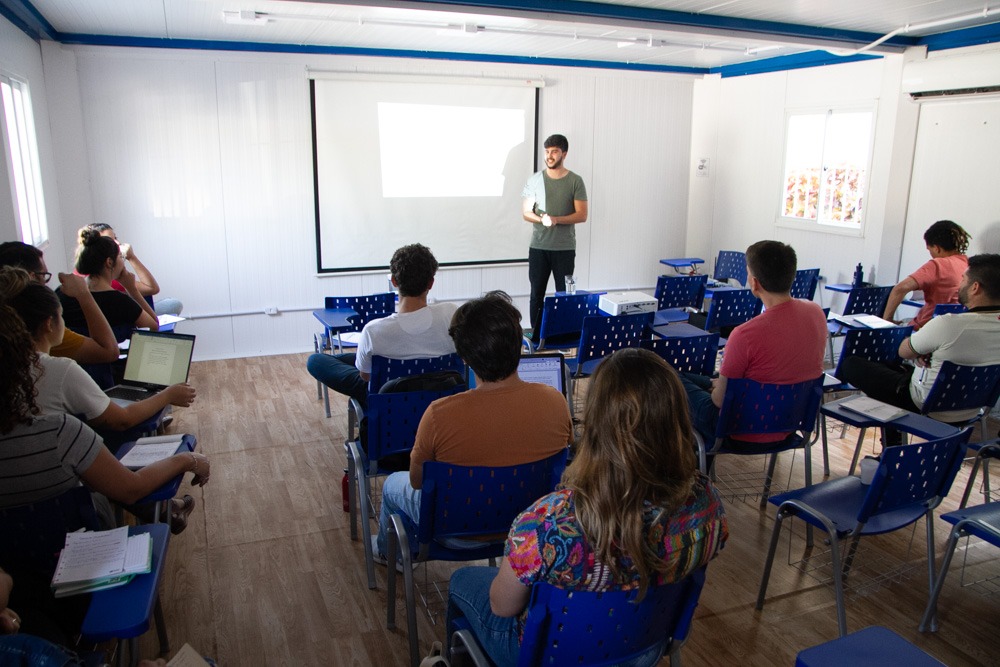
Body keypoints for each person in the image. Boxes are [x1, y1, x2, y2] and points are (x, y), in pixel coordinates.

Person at [445, 348, 728, 666]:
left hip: (546, 656)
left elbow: (502, 607)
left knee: (462, 581)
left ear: (594, 423)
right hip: (644, 649)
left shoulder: (547, 523)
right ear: (677, 418)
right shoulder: (709, 505)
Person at [0, 305, 210, 643]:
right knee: (102, 490)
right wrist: (187, 460)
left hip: (16, 588)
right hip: (74, 568)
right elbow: (130, 489)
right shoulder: (57, 432)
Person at [372, 291, 572, 566]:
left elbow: (418, 482)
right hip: (528, 526)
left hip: (454, 529)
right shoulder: (555, 402)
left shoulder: (438, 414)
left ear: (464, 357)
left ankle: (387, 553)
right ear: (519, 344)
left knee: (392, 484)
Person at [679, 240, 828, 446]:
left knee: (671, 379)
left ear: (755, 283)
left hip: (739, 428)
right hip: (789, 422)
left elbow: (720, 402)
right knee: (690, 378)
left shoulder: (745, 334)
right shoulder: (816, 313)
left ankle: (692, 466)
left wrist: (718, 388)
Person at [839, 254, 1000, 441]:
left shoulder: (948, 324)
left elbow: (904, 350)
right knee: (888, 370)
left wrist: (920, 351)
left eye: (963, 279)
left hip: (926, 403)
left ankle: (893, 446)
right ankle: (891, 445)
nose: (959, 285)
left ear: (975, 287)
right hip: (973, 407)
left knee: (852, 365)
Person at [307, 244, 457, 407]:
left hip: (387, 396)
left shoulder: (374, 330)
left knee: (316, 360)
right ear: (431, 283)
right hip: (440, 391)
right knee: (348, 359)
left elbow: (365, 376)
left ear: (394, 281)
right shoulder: (451, 314)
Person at [0, 241, 119, 363]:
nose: (46, 284)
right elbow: (109, 351)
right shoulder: (40, 324)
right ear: (31, 278)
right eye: (44, 275)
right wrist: (83, 294)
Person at [521, 134, 588, 337]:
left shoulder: (575, 181)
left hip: (564, 249)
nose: (550, 156)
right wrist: (542, 219)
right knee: (536, 295)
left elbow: (582, 215)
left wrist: (557, 219)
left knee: (565, 296)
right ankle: (537, 336)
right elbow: (526, 212)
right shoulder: (534, 180)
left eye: (554, 152)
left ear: (564, 154)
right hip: (539, 248)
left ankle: (563, 337)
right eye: (547, 151)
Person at [61, 227, 159, 335]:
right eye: (120, 256)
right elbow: (153, 327)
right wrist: (132, 290)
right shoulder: (120, 301)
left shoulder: (63, 292)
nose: (122, 261)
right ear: (109, 262)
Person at [882, 220, 970, 329]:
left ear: (937, 248)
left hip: (925, 329)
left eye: (930, 250)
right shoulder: (969, 264)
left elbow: (900, 289)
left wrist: (887, 321)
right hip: (953, 329)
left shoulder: (938, 264)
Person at [86, 223, 183, 316]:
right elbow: (152, 288)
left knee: (171, 303)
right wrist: (132, 257)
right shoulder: (106, 277)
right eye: (110, 239)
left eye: (116, 238)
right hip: (129, 316)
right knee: (173, 304)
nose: (118, 243)